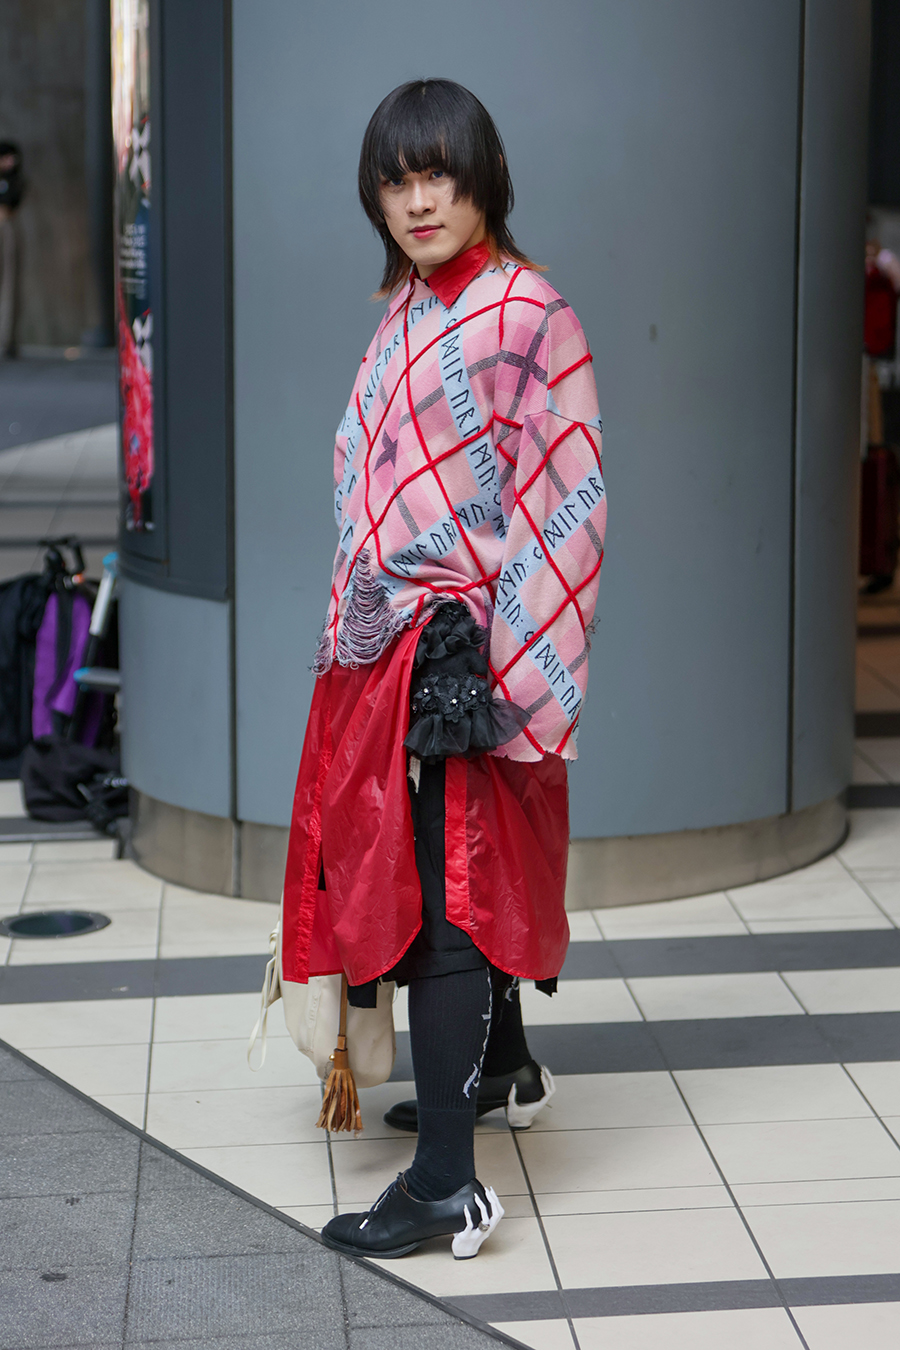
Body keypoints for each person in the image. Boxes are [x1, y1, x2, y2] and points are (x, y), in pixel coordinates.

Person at [282, 78, 606, 1260]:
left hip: (463, 655)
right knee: (460, 873)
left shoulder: (530, 313)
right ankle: (502, 1065)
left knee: (447, 899)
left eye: (439, 175)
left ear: (484, 182)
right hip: (393, 647)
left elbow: (567, 503)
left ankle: (446, 1187)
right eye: (397, 180)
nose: (419, 200)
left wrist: (505, 685)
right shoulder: (409, 309)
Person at [0, 141, 24, 359]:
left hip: (7, 226)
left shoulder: (15, 180)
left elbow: (12, 201)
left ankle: (6, 340)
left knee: (10, 283)